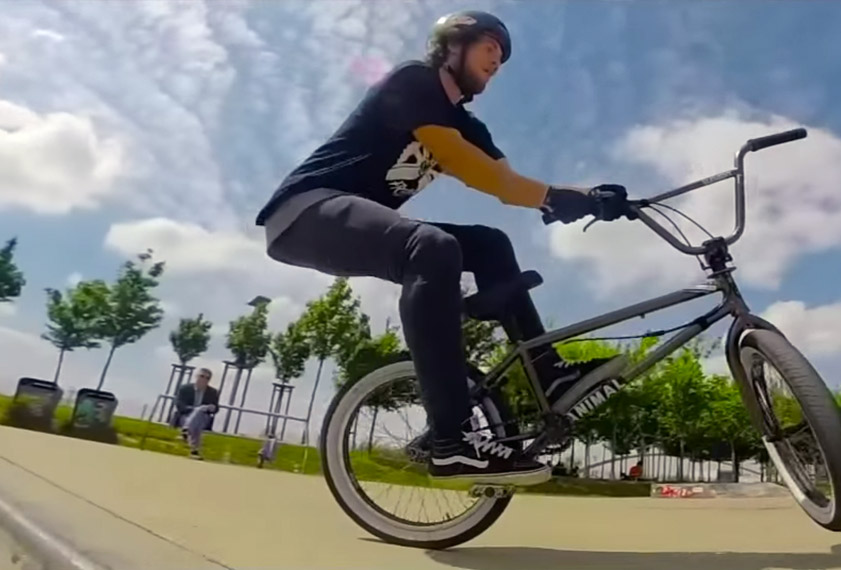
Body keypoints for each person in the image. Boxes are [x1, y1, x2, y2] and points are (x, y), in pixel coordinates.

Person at [255, 10, 627, 486]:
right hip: (305, 213)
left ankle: (549, 374)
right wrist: (554, 196)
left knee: (490, 245)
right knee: (431, 247)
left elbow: (508, 184)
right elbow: (457, 161)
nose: (498, 58)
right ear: (452, 45)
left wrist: (591, 197)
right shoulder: (416, 81)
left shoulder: (468, 127)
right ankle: (451, 439)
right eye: (489, 45)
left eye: (503, 54)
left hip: (354, 221)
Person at [174, 368, 220, 460]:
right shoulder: (185, 388)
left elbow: (216, 408)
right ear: (196, 377)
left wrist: (212, 408)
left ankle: (186, 430)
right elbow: (179, 404)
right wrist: (195, 409)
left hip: (204, 417)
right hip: (186, 415)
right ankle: (194, 451)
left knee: (201, 413)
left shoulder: (213, 392)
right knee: (197, 423)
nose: (204, 379)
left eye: (207, 378)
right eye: (202, 376)